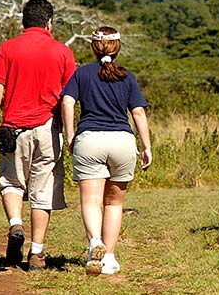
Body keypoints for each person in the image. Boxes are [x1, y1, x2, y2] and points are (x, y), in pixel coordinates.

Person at [0, 0, 76, 271]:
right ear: (49, 22)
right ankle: (37, 253)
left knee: (11, 182)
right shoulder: (62, 52)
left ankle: (15, 225)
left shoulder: (7, 48)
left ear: (23, 21)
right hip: (48, 127)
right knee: (42, 190)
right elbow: (69, 97)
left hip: (13, 129)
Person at [61, 26, 152, 276]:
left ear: (93, 47)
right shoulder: (127, 76)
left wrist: (70, 135)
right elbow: (138, 112)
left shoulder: (82, 74)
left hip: (90, 139)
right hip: (122, 141)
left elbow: (67, 101)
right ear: (118, 47)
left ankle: (94, 243)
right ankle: (109, 258)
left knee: (90, 200)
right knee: (114, 202)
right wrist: (146, 146)